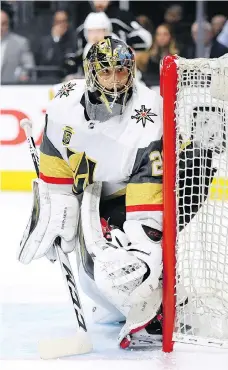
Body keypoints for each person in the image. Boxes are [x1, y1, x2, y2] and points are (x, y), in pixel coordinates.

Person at [18, 36, 163, 349]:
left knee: (128, 267)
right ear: (91, 73)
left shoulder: (149, 113)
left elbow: (149, 193)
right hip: (94, 199)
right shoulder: (64, 105)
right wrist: (56, 206)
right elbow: (56, 167)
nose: (114, 81)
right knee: (94, 276)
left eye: (121, 71)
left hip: (134, 197)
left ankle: (157, 300)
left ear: (132, 71)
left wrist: (144, 249)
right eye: (106, 72)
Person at [35, 9, 76, 82]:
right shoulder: (44, 42)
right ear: (53, 23)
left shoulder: (73, 40)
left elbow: (66, 63)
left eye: (64, 21)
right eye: (58, 22)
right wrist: (55, 39)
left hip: (66, 81)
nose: (61, 25)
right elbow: (45, 61)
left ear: (68, 23)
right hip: (46, 81)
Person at [1, 5, 35, 83]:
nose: (0, 27)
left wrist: (22, 75)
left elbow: (29, 66)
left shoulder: (21, 42)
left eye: (4, 24)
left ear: (9, 24)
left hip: (11, 89)